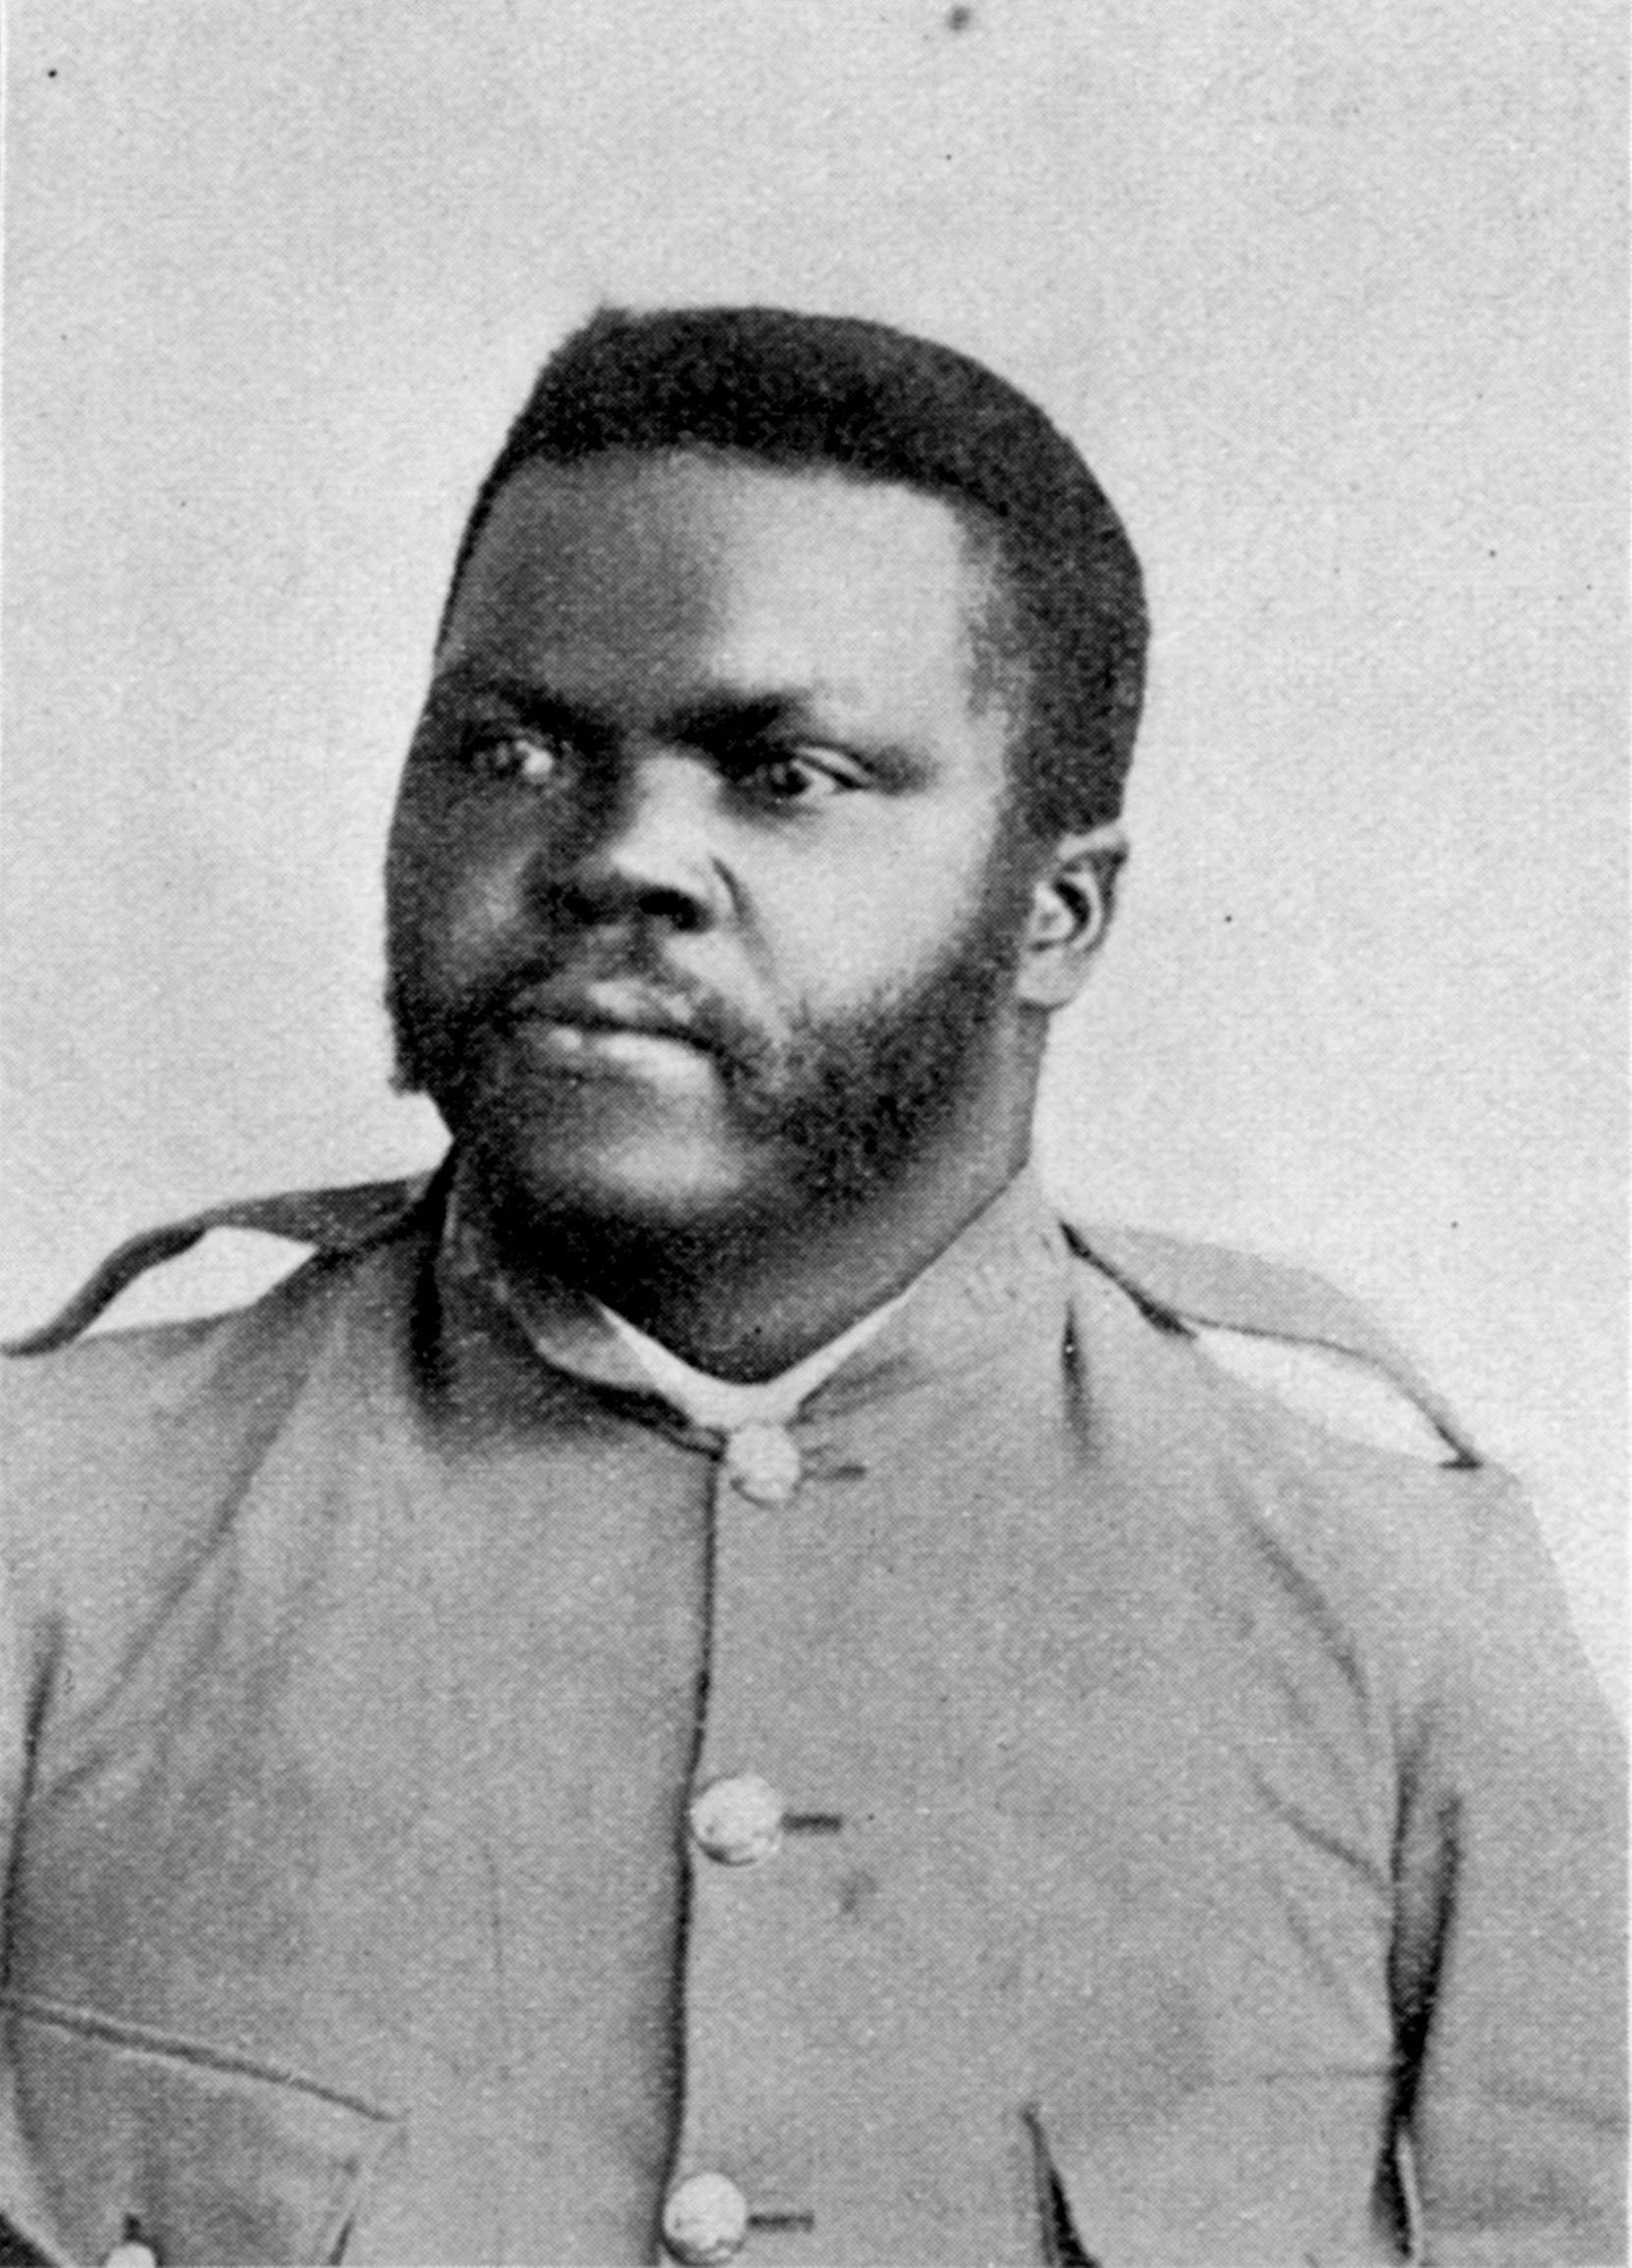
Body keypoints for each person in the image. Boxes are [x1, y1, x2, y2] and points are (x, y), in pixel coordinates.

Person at [0, 305, 1621, 2268]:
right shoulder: (54, 1533)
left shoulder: (1403, 1623)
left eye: (786, 775)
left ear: (1057, 912)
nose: (619, 860)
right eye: (509, 747)